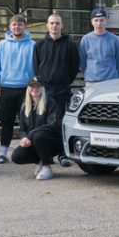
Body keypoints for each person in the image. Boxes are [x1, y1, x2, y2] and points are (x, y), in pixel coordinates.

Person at [33, 13, 79, 168]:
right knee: (43, 123)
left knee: (60, 123)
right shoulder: (38, 45)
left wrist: (65, 82)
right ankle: (44, 155)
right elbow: (36, 67)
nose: (54, 26)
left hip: (62, 91)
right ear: (47, 25)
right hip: (45, 90)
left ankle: (62, 154)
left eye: (57, 23)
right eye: (51, 23)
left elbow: (74, 68)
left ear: (62, 25)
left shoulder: (71, 45)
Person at [0, 14, 35, 164]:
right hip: (6, 88)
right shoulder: (2, 45)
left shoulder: (33, 45)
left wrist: (34, 86)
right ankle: (3, 152)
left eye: (20, 24)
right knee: (6, 122)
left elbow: (37, 67)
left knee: (28, 122)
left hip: (26, 89)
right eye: (14, 25)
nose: (17, 27)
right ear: (10, 27)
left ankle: (30, 152)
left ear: (25, 27)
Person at [11, 77, 63, 181]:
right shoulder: (25, 106)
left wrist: (30, 135)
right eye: (32, 86)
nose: (35, 88)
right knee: (16, 156)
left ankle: (46, 166)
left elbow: (52, 125)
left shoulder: (50, 101)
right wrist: (24, 139)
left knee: (38, 136)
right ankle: (40, 160)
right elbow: (22, 129)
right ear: (28, 88)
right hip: (34, 141)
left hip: (52, 141)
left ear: (43, 88)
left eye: (38, 86)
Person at [79, 8, 119, 83]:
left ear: (106, 21)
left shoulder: (114, 40)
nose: (99, 23)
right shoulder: (85, 40)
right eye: (96, 20)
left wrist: (116, 76)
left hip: (111, 81)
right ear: (91, 22)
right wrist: (88, 74)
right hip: (91, 81)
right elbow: (82, 61)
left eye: (101, 20)